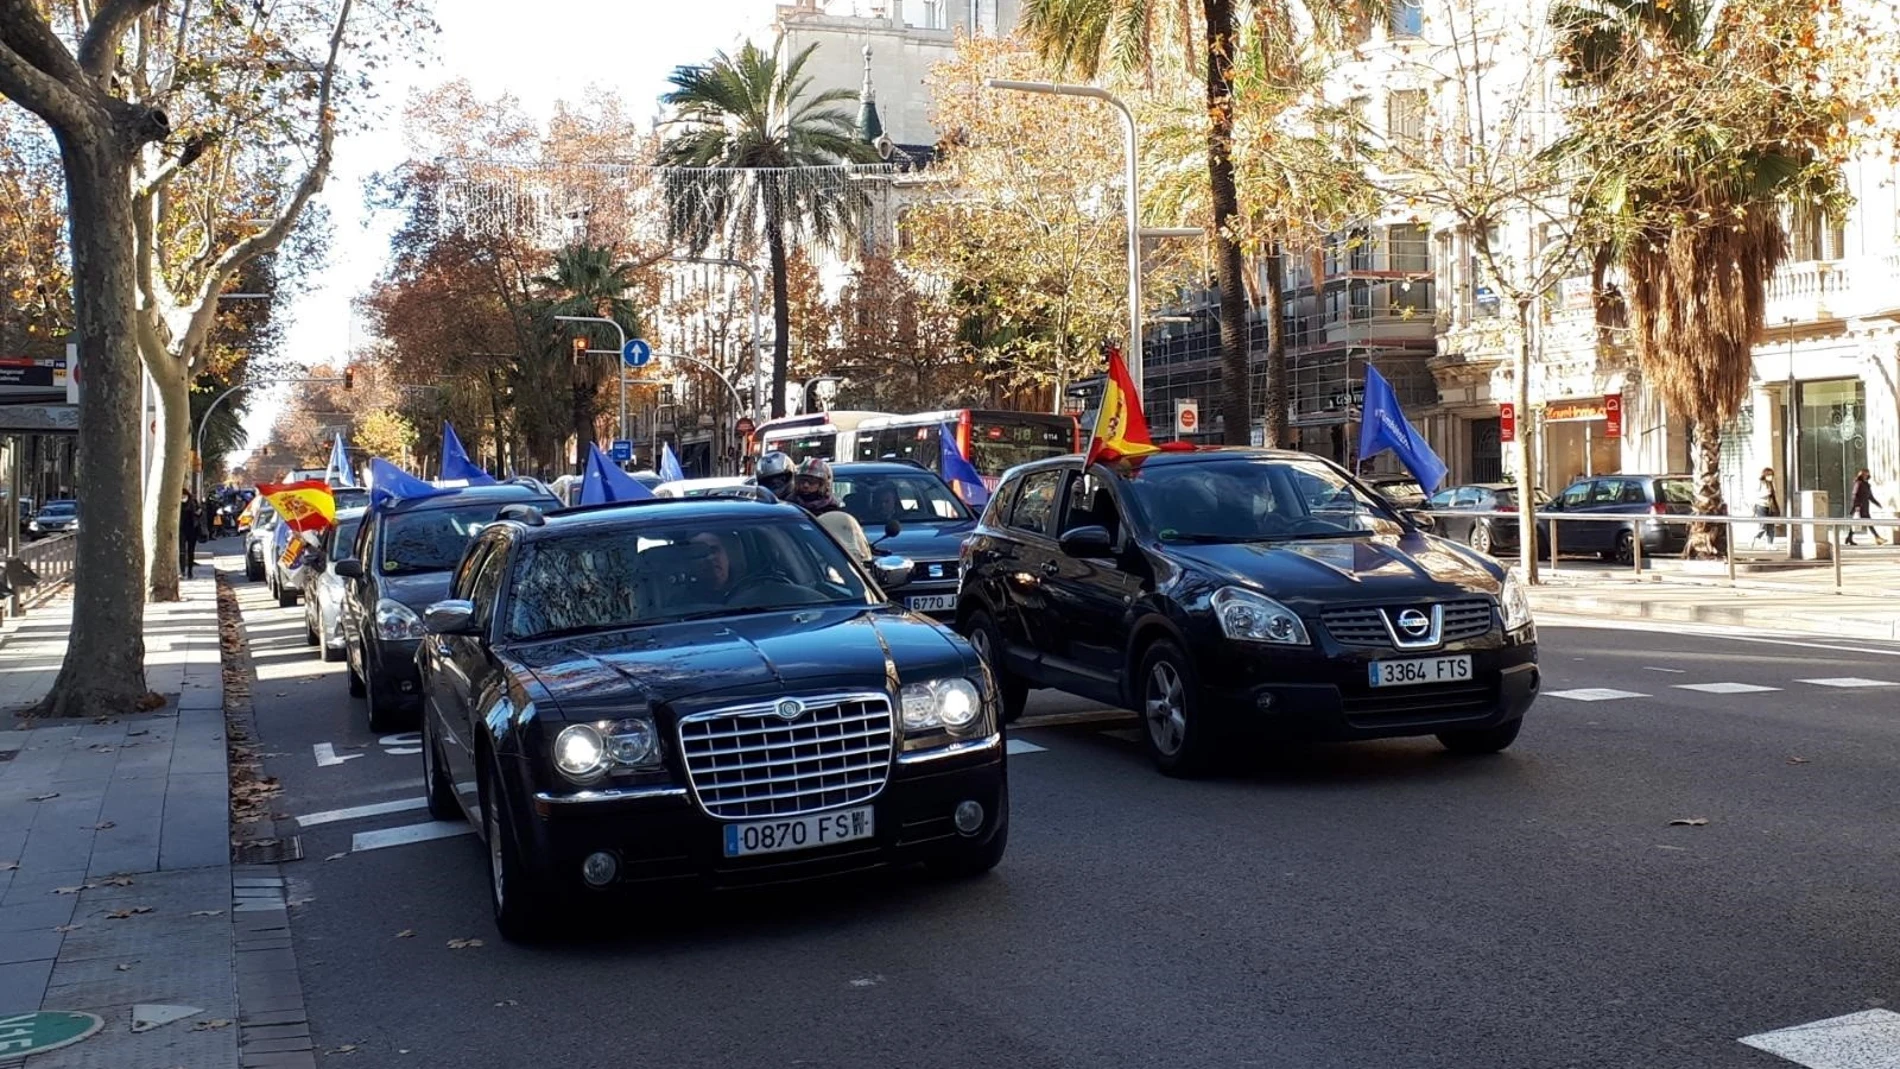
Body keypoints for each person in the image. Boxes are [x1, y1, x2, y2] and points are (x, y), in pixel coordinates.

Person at [791, 457, 873, 562]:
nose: (806, 485)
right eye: (802, 481)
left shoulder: (835, 512)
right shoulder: (788, 507)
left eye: (812, 482)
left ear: (824, 484)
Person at [1846, 469, 1885, 545]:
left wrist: (1877, 504)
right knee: (1867, 522)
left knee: (1857, 523)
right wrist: (1856, 506)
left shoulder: (1866, 485)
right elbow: (1855, 495)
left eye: (1867, 474)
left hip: (1865, 507)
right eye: (1864, 474)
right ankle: (1877, 538)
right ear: (1861, 475)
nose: (1866, 476)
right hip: (1860, 507)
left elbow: (1870, 496)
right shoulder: (1858, 484)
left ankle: (1849, 538)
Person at [1751, 467, 1780, 545]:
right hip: (1761, 505)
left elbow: (1774, 495)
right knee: (1763, 525)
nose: (1771, 477)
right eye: (1769, 475)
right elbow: (1755, 495)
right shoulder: (1760, 482)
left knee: (1771, 526)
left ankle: (1770, 544)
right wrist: (1766, 493)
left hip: (1770, 506)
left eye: (1772, 475)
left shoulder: (1772, 483)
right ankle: (1755, 537)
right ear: (1765, 475)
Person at [179, 490, 202, 578]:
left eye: (184, 495)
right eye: (182, 496)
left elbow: (200, 514)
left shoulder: (193, 503)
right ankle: (182, 571)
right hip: (181, 530)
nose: (183, 497)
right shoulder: (178, 504)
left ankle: (190, 571)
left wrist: (198, 513)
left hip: (193, 529)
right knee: (182, 551)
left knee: (191, 551)